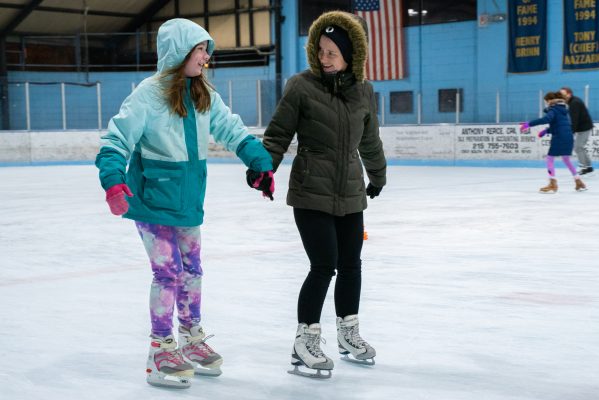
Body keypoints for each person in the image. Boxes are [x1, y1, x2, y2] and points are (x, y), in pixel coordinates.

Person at [94, 18, 274, 389]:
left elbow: (232, 129)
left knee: (192, 270)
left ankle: (191, 339)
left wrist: (259, 161)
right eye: (200, 49)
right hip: (152, 200)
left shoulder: (204, 94)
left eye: (207, 49)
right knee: (168, 272)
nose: (206, 56)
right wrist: (113, 181)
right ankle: (160, 349)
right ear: (180, 52)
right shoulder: (148, 94)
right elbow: (116, 140)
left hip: (189, 201)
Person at [258, 11, 386, 378]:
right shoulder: (301, 86)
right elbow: (278, 133)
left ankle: (349, 334)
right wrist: (264, 169)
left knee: (351, 265)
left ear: (350, 55)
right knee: (323, 265)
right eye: (321, 50)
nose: (325, 57)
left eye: (332, 51)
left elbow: (370, 140)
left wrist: (377, 176)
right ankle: (305, 340)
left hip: (349, 191)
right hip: (310, 191)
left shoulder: (363, 90)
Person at [520, 92, 587, 193]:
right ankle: (578, 181)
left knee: (550, 158)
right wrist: (546, 131)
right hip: (568, 137)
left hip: (559, 137)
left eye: (545, 102)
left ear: (549, 101)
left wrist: (529, 124)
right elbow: (560, 125)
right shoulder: (564, 110)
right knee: (566, 159)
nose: (545, 104)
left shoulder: (553, 109)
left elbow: (546, 119)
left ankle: (552, 183)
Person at [560, 87, 595, 175]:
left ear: (569, 94)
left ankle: (582, 166)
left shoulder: (574, 103)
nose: (561, 96)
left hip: (584, 128)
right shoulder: (572, 102)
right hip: (583, 127)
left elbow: (575, 120)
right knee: (580, 147)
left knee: (578, 147)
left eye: (563, 94)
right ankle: (589, 167)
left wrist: (571, 132)